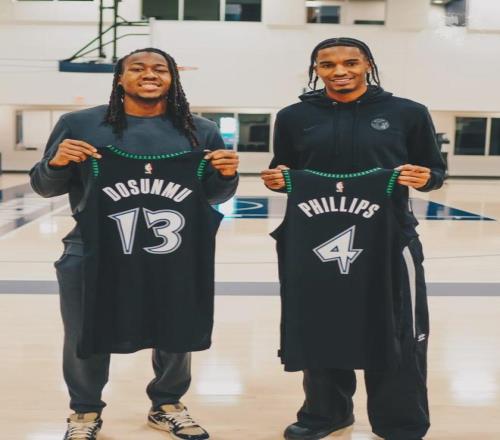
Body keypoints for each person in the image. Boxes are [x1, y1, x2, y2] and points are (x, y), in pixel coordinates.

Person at [30, 47, 239, 440]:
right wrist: (56, 163)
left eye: (160, 69)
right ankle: (85, 411)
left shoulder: (200, 129)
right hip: (91, 248)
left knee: (176, 327)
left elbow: (211, 196)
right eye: (137, 68)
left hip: (172, 250)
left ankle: (167, 404)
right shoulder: (78, 124)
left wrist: (226, 176)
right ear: (119, 78)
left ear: (173, 78)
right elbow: (44, 187)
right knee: (84, 332)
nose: (149, 74)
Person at [261, 37, 445, 440]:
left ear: (368, 65)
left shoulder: (408, 112)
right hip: (315, 240)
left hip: (389, 239)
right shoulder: (293, 117)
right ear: (315, 70)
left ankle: (400, 422)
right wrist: (277, 179)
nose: (339, 71)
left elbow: (434, 170)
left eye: (350, 62)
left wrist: (427, 178)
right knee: (322, 324)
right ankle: (325, 414)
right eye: (327, 65)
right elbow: (284, 168)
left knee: (398, 327)